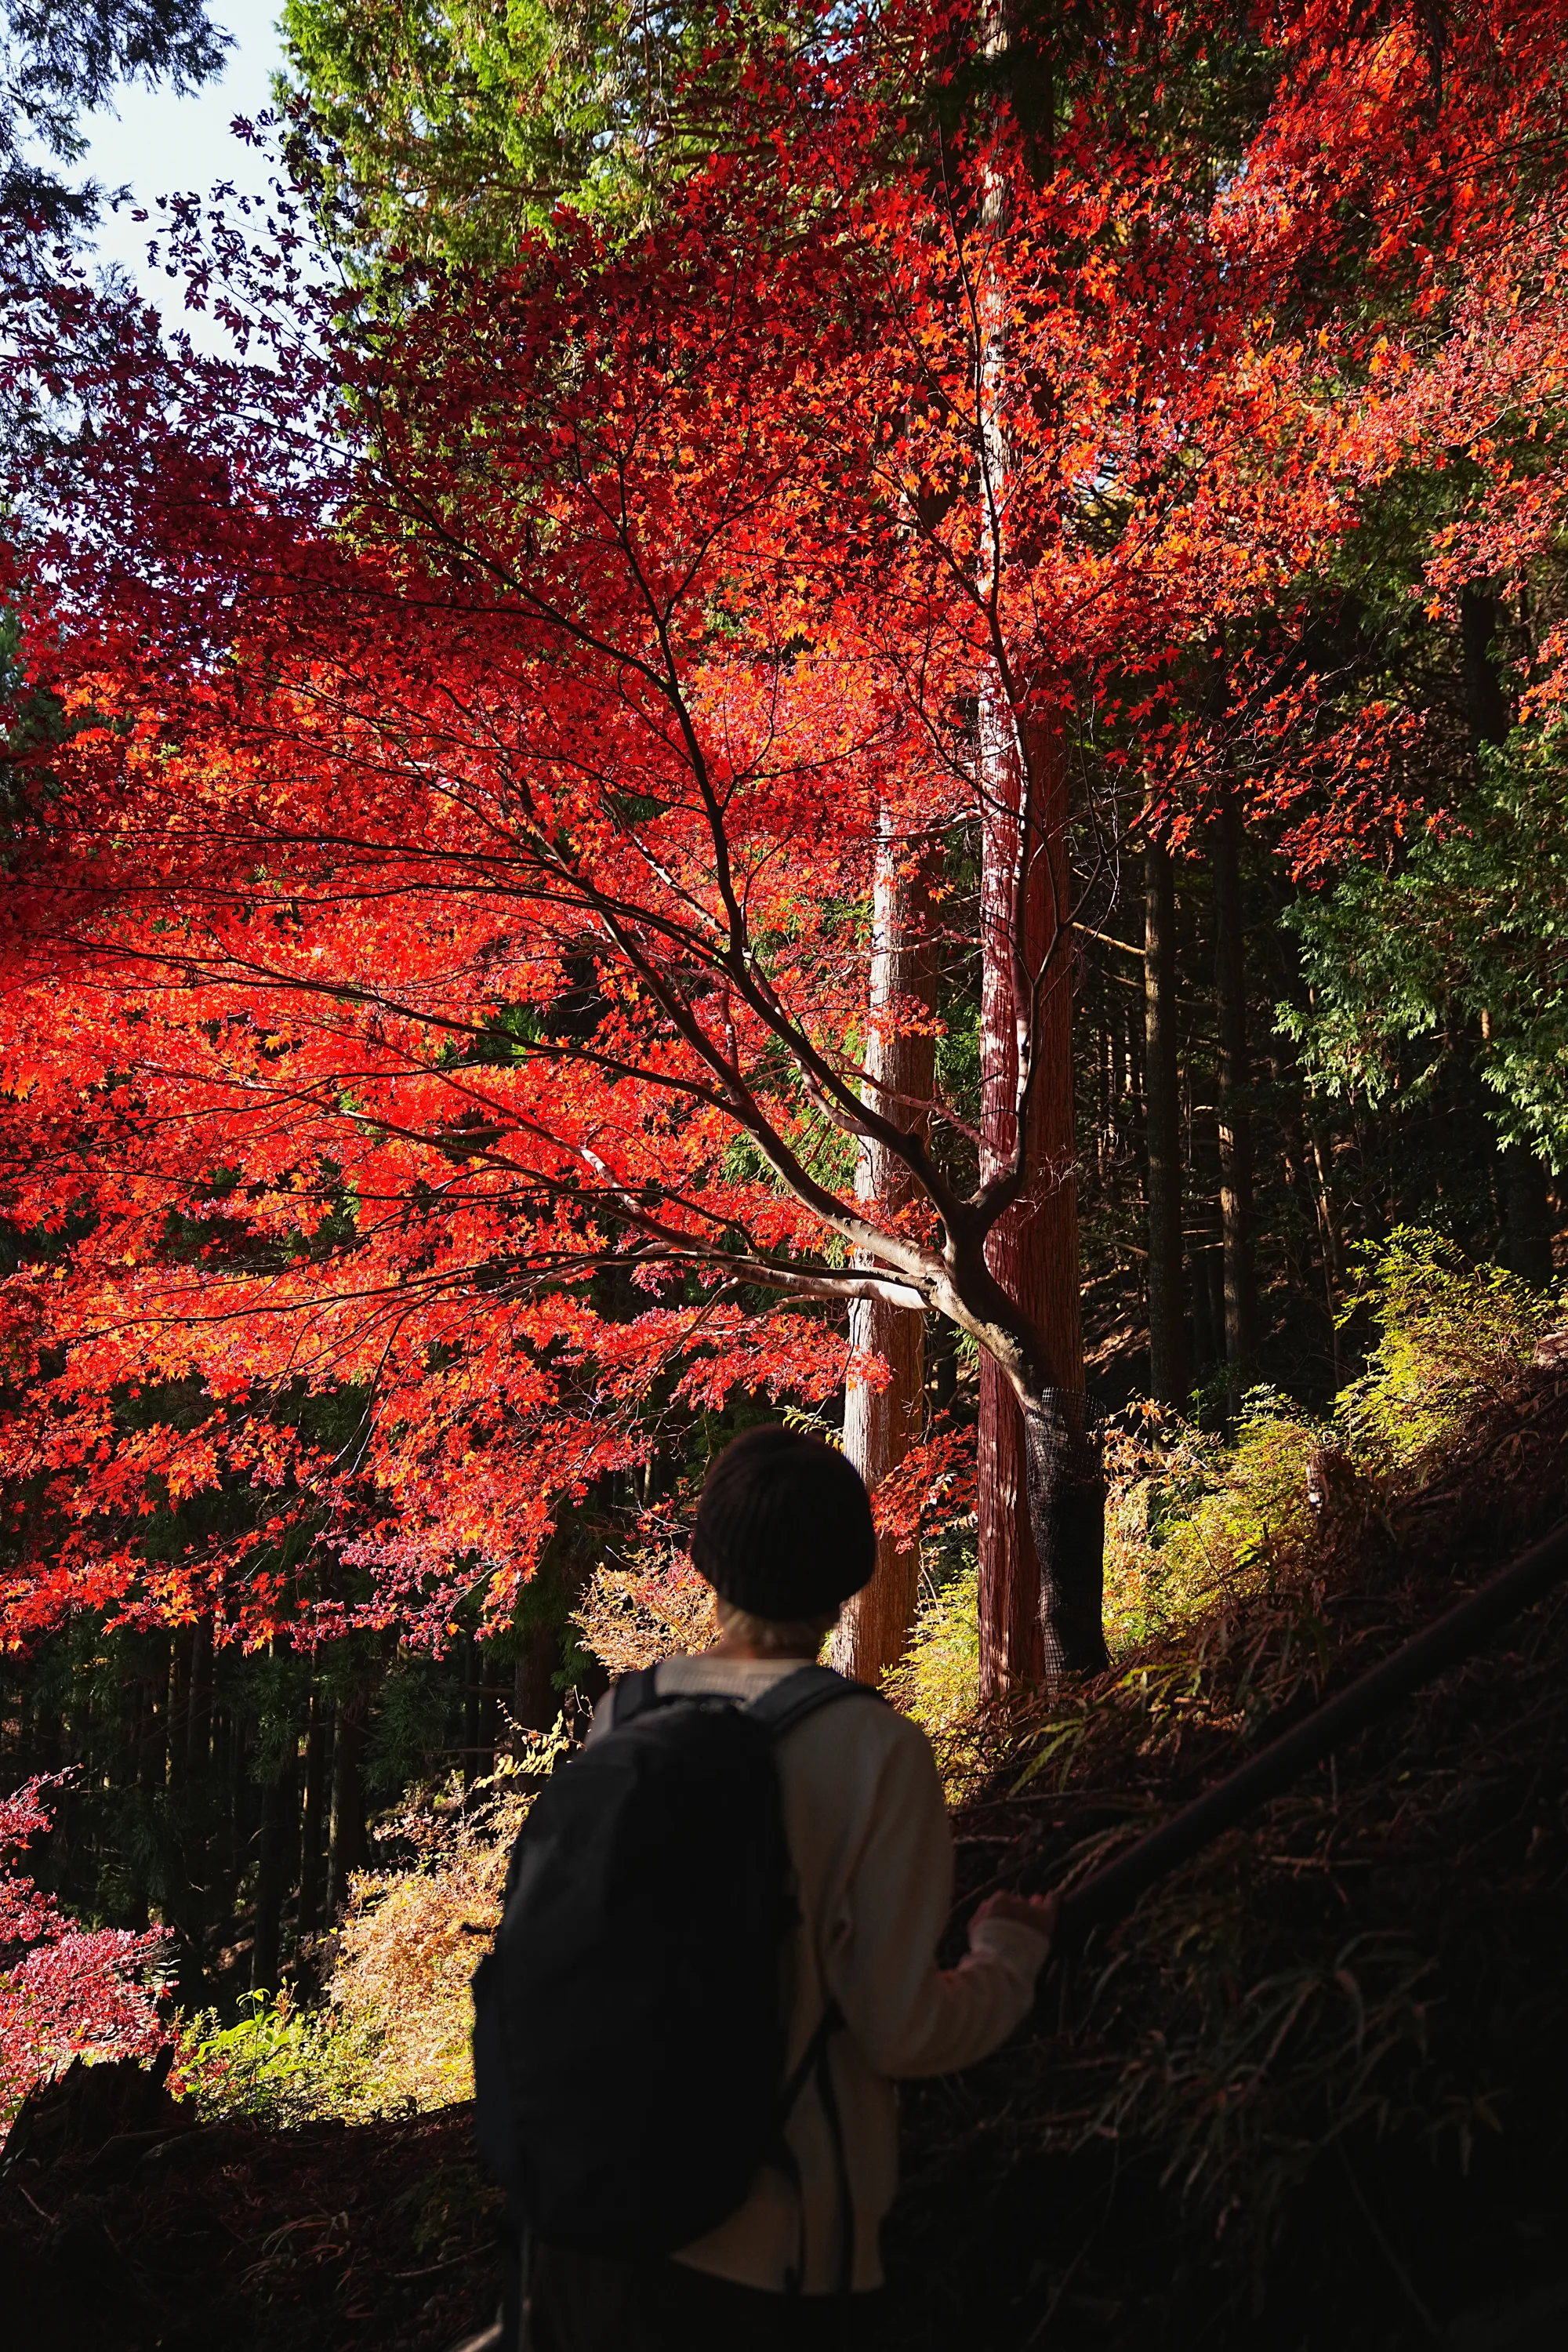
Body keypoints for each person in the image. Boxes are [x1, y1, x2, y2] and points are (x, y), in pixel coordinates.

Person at [505, 1423, 1058, 2352]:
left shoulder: (625, 1714)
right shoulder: (876, 1753)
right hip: (773, 2262)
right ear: (854, 1571)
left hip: (583, 2225)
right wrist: (1007, 1960)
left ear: (703, 1562)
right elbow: (902, 2028)